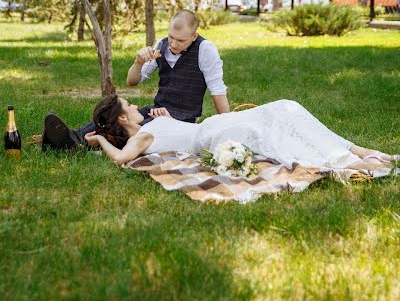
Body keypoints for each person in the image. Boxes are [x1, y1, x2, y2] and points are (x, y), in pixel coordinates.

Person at [42, 10, 229, 150]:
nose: (173, 44)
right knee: (117, 113)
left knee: (133, 132)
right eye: (171, 37)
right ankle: (73, 137)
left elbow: (217, 91)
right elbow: (132, 81)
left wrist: (226, 130)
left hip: (183, 119)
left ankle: (83, 145)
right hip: (156, 109)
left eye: (180, 41)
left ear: (193, 36)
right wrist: (138, 62)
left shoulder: (205, 50)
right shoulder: (161, 46)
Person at [85, 95, 397, 173]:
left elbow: (175, 134)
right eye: (129, 104)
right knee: (280, 131)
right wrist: (99, 140)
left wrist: (166, 120)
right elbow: (122, 158)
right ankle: (350, 159)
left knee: (287, 110)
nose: (136, 103)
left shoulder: (149, 128)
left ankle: (355, 151)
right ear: (123, 118)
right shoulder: (140, 138)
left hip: (215, 126)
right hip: (217, 133)